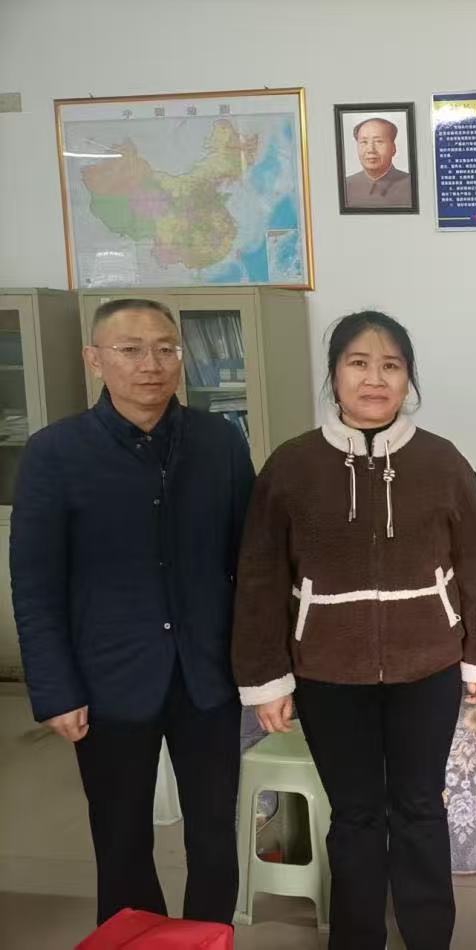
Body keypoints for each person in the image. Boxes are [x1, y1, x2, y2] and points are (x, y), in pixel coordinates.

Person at [231, 311, 476, 949]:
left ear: (408, 379)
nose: (375, 379)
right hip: (327, 672)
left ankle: (429, 936)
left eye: (391, 366)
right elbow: (260, 575)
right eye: (358, 363)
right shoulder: (292, 465)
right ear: (334, 374)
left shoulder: (441, 461)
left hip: (426, 667)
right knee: (354, 814)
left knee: (421, 806)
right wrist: (266, 677)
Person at [10, 298, 254, 926]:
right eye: (131, 350)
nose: (153, 364)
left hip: (207, 676)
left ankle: (207, 939)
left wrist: (259, 670)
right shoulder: (54, 453)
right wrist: (56, 689)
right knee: (121, 840)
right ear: (95, 359)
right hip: (107, 680)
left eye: (167, 349)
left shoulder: (220, 443)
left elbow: (250, 564)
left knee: (214, 836)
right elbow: (35, 585)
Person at [343, 117, 413, 208]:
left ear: (393, 148)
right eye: (364, 142)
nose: (371, 150)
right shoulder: (345, 186)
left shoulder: (412, 185)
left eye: (378, 141)